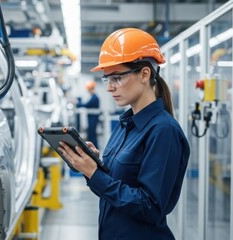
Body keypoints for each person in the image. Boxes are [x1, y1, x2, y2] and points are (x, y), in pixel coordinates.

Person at [58, 28, 190, 239]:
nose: (110, 87)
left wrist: (95, 174)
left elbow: (150, 208)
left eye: (117, 78)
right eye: (107, 79)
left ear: (145, 74)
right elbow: (111, 191)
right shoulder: (124, 125)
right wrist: (90, 166)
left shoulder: (164, 131)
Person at [76, 80, 100, 149]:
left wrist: (77, 103)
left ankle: (95, 148)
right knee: (91, 133)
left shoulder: (95, 97)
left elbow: (87, 105)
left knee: (92, 134)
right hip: (91, 117)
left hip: (93, 118)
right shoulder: (93, 97)